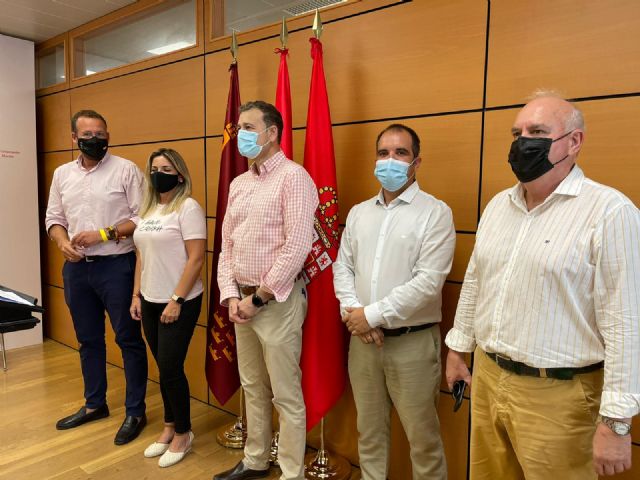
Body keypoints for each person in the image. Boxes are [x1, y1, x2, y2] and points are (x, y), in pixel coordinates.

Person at [445, 91, 640, 479]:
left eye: (537, 132)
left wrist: (617, 422)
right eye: (517, 133)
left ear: (574, 141)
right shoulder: (498, 206)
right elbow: (477, 282)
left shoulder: (610, 212)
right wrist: (458, 348)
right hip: (489, 378)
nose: (523, 143)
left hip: (561, 396)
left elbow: (626, 323)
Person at [333, 123, 455, 480]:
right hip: (363, 343)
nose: (390, 160)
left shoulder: (435, 213)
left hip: (412, 344)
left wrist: (370, 315)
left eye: (400, 153)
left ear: (416, 162)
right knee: (369, 434)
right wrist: (355, 314)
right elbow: (343, 267)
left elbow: (428, 283)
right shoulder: (359, 213)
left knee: (423, 441)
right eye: (383, 153)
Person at [213, 100, 318, 480]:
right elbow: (227, 246)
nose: (239, 134)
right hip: (241, 302)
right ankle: (256, 459)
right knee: (252, 386)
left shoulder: (294, 178)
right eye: (238, 127)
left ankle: (291, 473)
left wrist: (258, 298)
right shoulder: (239, 183)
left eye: (248, 127)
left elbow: (297, 247)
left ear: (272, 133)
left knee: (285, 394)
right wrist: (231, 296)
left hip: (276, 303)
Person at [45, 109, 148, 444]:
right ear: (74, 138)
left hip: (117, 267)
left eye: (100, 134)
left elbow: (142, 217)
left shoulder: (126, 170)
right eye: (87, 135)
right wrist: (62, 243)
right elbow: (54, 218)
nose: (95, 140)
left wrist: (103, 234)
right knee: (88, 340)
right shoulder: (62, 174)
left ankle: (135, 411)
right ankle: (95, 404)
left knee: (128, 339)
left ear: (108, 135)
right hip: (77, 269)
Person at [129, 148, 206, 467]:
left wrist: (176, 299)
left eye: (166, 169)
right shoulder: (148, 209)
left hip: (180, 301)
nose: (158, 174)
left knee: (171, 367)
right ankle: (169, 427)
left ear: (180, 175)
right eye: (154, 169)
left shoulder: (188, 207)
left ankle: (184, 434)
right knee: (163, 367)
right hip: (149, 299)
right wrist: (136, 295)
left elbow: (196, 258)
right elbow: (141, 256)